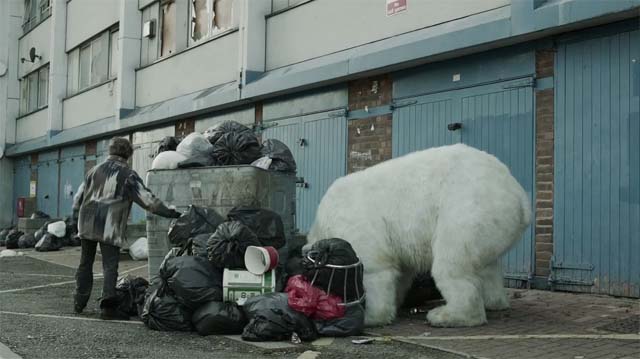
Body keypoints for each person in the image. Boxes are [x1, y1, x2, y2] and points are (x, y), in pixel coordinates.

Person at [72, 137, 181, 320]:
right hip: (109, 224)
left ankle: (79, 302)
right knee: (109, 265)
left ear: (111, 151)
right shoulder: (127, 175)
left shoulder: (94, 170)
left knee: (85, 262)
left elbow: (78, 198)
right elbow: (147, 200)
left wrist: (76, 217)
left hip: (87, 221)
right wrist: (171, 213)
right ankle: (108, 308)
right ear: (128, 154)